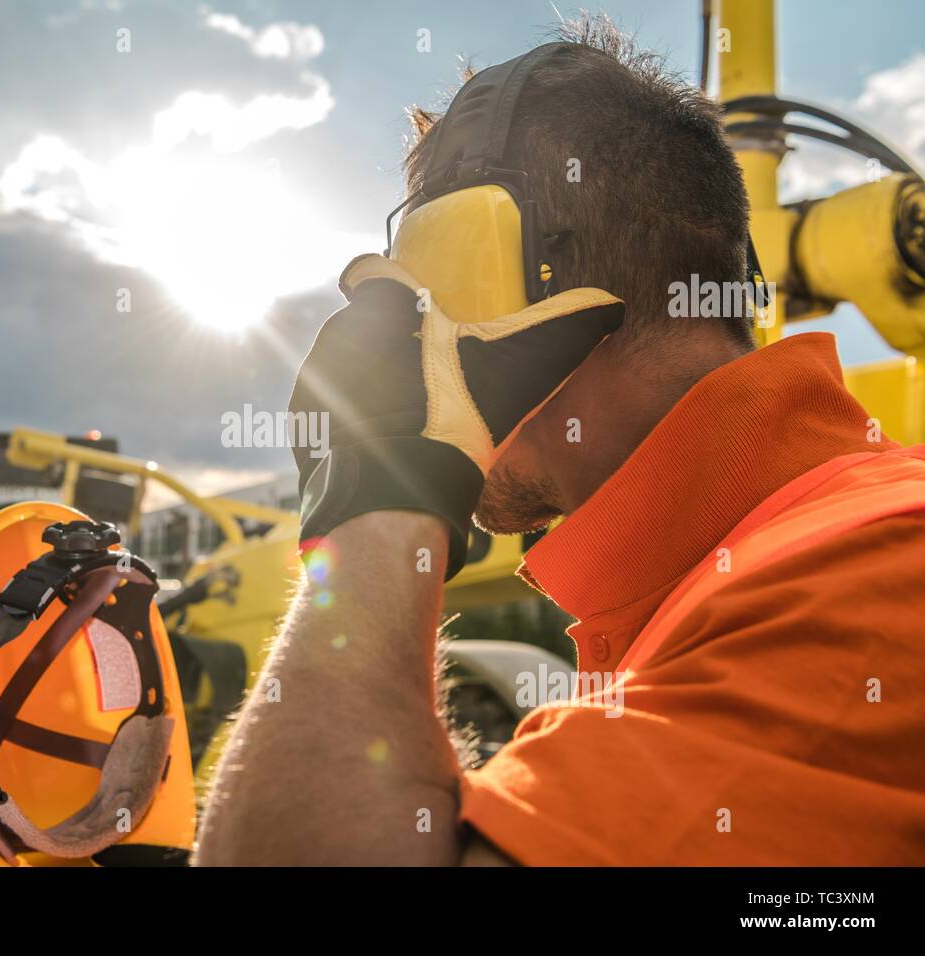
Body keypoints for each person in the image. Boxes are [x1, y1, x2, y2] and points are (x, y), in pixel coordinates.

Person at [194, 17, 925, 866]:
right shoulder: (729, 581)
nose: (408, 328)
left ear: (508, 286)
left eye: (422, 290)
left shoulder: (863, 578)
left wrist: (376, 502)